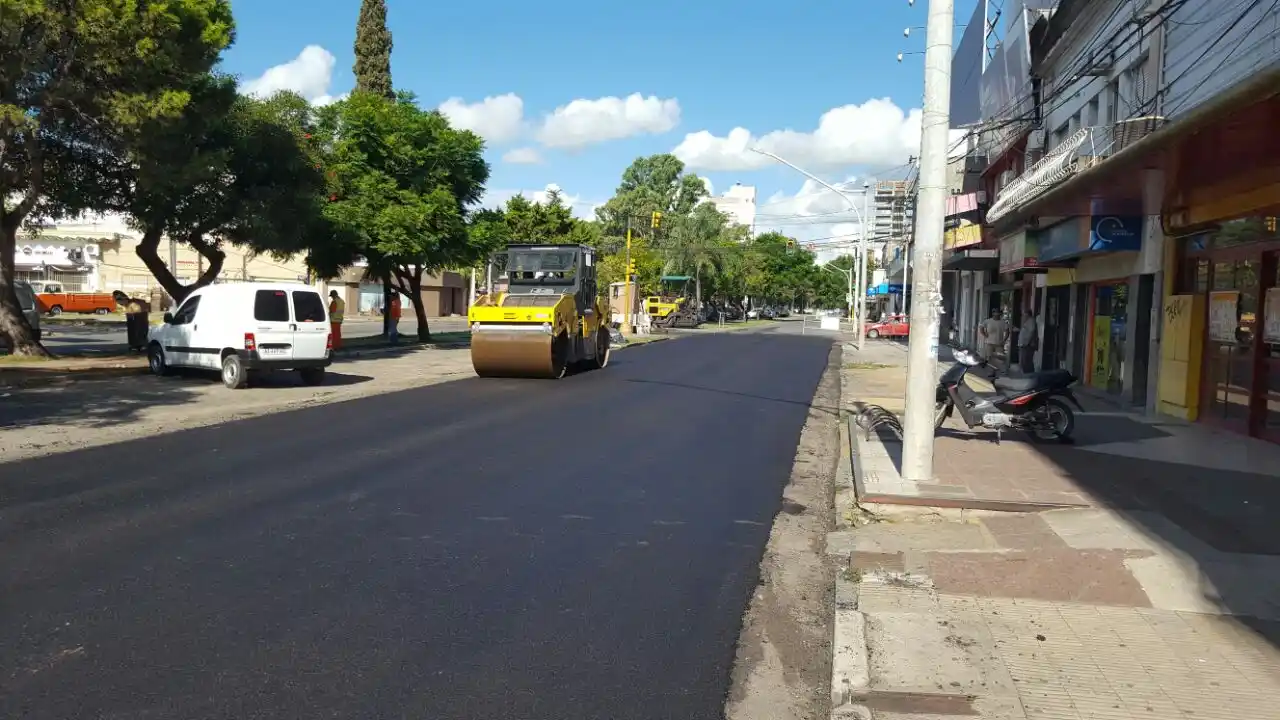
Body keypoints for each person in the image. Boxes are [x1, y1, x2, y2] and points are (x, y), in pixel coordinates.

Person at [1017, 309, 1039, 374]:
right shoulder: (1027, 321)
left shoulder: (1031, 321)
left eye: (1024, 314)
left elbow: (1031, 332)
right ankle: (1026, 373)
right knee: (1024, 361)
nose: (1023, 316)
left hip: (1027, 345)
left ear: (1027, 314)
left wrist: (1026, 342)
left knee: (1026, 361)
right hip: (1024, 344)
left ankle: (1029, 374)